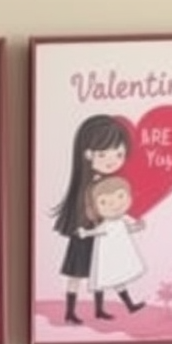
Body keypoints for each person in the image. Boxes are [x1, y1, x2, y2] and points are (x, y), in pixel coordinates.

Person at [51, 114, 128, 326]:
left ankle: (99, 309)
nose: (112, 160)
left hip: (99, 234)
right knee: (75, 275)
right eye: (103, 154)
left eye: (119, 153)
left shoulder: (108, 183)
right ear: (87, 154)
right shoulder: (86, 185)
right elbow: (86, 209)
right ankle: (69, 312)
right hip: (83, 234)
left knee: (99, 274)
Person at [84, 174, 147, 320]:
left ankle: (129, 306)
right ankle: (99, 310)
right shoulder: (106, 223)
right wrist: (86, 233)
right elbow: (98, 230)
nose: (115, 204)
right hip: (105, 254)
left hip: (119, 251)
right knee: (101, 281)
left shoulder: (124, 218)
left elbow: (131, 228)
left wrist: (139, 226)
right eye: (105, 202)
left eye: (120, 197)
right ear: (96, 207)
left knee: (117, 279)